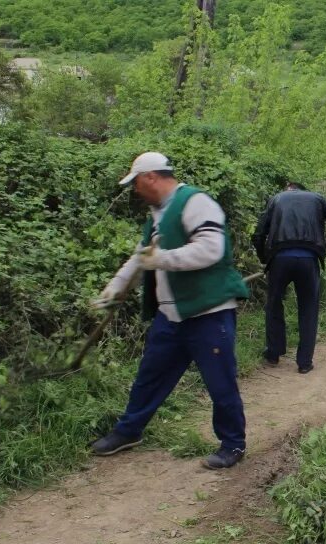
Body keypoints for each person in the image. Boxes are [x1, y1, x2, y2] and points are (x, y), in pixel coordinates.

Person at [90, 152, 251, 470]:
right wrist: (115, 288)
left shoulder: (195, 202)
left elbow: (211, 249)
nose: (136, 190)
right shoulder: (156, 216)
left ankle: (233, 444)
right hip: (172, 315)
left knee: (220, 381)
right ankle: (128, 431)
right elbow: (141, 257)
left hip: (208, 311)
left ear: (150, 177)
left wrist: (161, 259)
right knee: (149, 376)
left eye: (136, 182)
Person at [252, 182, 326, 374]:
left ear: (289, 189)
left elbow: (258, 234)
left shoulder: (276, 199)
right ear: (302, 189)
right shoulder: (317, 198)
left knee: (274, 304)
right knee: (309, 308)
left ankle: (273, 353)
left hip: (280, 259)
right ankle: (304, 362)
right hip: (309, 260)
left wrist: (265, 259)